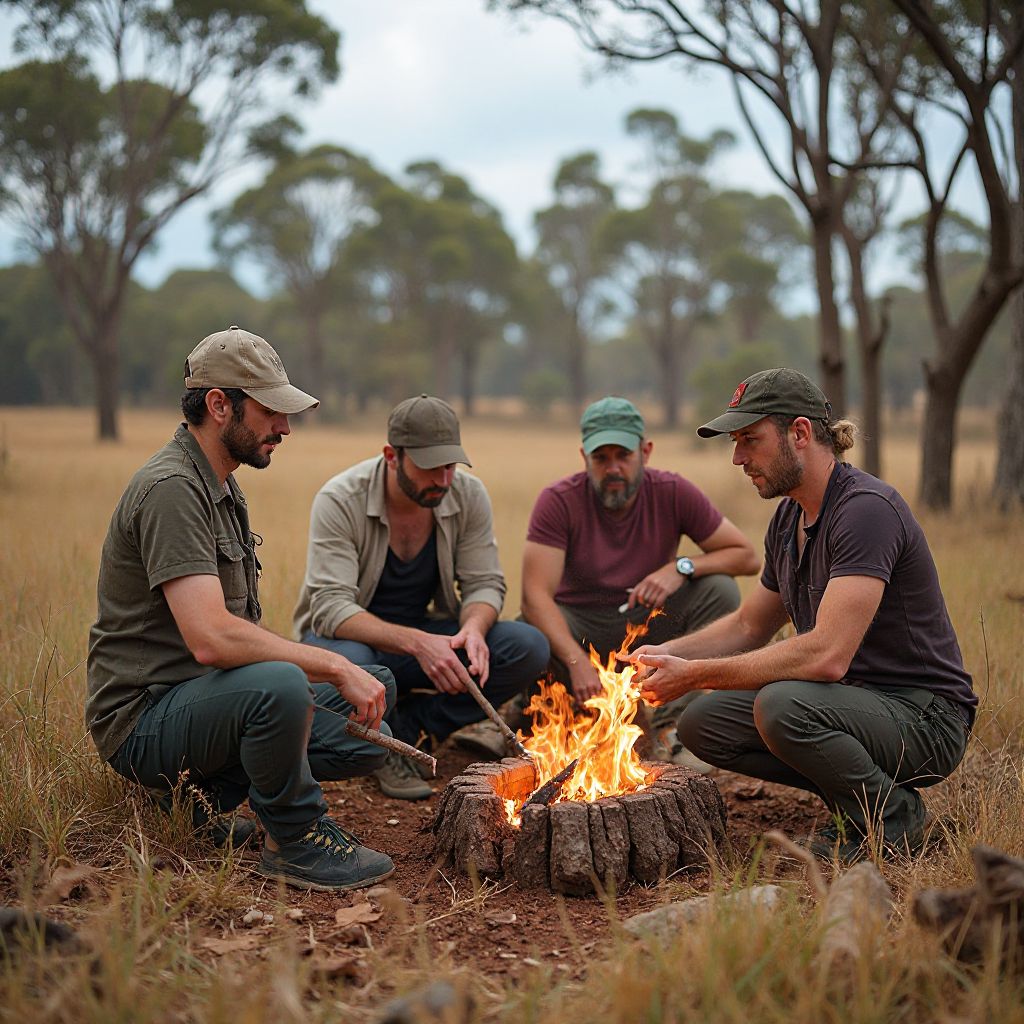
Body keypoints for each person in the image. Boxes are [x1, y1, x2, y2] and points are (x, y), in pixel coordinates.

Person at [86, 325, 397, 892]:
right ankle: (296, 839)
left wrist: (344, 675)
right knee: (282, 686)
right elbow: (212, 639)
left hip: (204, 700)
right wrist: (331, 665)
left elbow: (237, 638)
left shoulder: (222, 484)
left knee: (374, 693)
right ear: (218, 405)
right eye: (271, 411)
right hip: (146, 721)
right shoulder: (173, 488)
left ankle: (194, 804)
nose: (284, 426)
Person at [630, 368, 976, 862]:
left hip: (924, 718)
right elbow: (749, 625)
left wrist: (695, 675)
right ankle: (853, 798)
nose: (738, 457)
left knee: (782, 705)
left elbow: (827, 657)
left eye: (750, 439)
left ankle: (893, 819)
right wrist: (664, 654)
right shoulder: (789, 515)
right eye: (735, 441)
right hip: (853, 705)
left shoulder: (865, 510)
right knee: (702, 724)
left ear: (799, 432)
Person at [295, 394, 550, 800]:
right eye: (430, 467)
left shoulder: (467, 494)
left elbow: (485, 583)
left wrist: (473, 629)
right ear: (391, 456)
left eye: (450, 466)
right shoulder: (340, 498)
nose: (443, 480)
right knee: (355, 664)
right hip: (352, 641)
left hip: (428, 637)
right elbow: (329, 608)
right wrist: (419, 644)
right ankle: (381, 747)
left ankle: (416, 728)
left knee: (527, 646)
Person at [521, 396, 760, 741]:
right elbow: (534, 595)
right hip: (578, 628)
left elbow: (746, 557)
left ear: (645, 452)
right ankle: (539, 711)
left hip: (646, 631)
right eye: (601, 458)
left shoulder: (673, 491)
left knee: (720, 588)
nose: (613, 468)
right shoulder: (558, 501)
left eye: (623, 456)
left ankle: (674, 721)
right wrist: (577, 662)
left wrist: (680, 567)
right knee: (529, 624)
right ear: (584, 458)